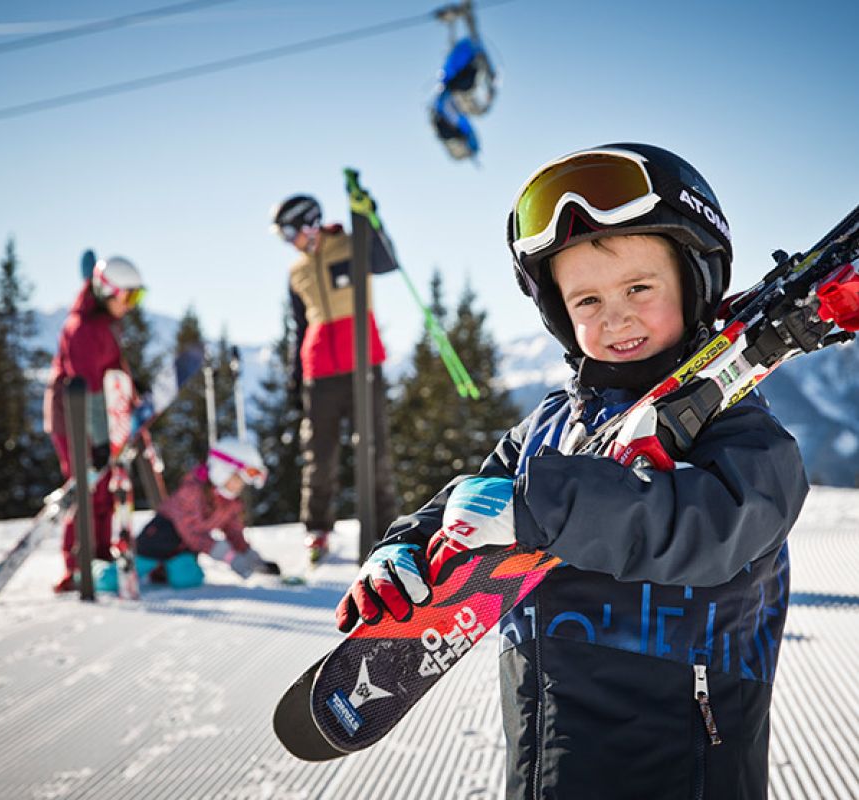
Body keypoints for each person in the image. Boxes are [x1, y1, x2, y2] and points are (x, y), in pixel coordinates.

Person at [334, 144, 809, 798]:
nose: (614, 317)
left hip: (683, 770)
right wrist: (404, 547)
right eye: (585, 300)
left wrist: (544, 513)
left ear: (694, 281)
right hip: (543, 759)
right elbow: (473, 495)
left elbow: (714, 525)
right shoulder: (547, 425)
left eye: (639, 288)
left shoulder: (739, 430)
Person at [270, 194, 398, 563]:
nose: (288, 242)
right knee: (319, 454)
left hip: (363, 360)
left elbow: (386, 261)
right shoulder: (297, 271)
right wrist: (296, 379)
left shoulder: (351, 243)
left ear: (308, 223)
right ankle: (317, 529)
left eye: (288, 233)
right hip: (319, 370)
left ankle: (386, 528)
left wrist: (370, 219)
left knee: (373, 448)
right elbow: (299, 327)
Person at [44, 256, 146, 593]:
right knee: (85, 489)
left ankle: (100, 558)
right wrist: (100, 440)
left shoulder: (103, 324)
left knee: (103, 490)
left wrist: (131, 394)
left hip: (101, 417)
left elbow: (112, 372)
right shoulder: (83, 329)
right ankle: (77, 566)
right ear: (107, 291)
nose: (131, 306)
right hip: (72, 419)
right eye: (128, 297)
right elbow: (85, 388)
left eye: (137, 298)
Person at [129, 436, 279, 589]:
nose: (240, 486)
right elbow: (192, 532)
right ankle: (114, 573)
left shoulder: (229, 502)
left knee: (189, 579)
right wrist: (230, 557)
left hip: (183, 550)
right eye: (237, 479)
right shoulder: (192, 491)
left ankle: (160, 572)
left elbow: (234, 532)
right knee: (120, 577)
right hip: (157, 540)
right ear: (222, 471)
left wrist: (253, 559)